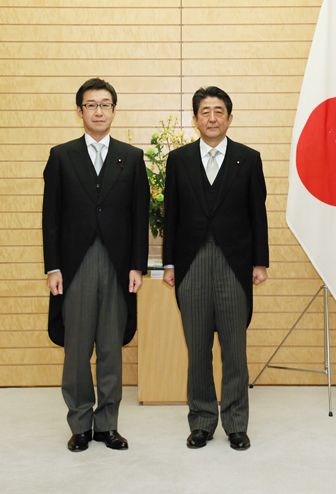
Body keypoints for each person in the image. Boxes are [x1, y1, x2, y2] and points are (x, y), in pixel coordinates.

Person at [42, 78, 149, 452]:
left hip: (118, 267)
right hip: (75, 267)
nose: (98, 111)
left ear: (114, 111)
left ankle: (107, 425)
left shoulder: (132, 158)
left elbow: (140, 216)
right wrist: (53, 267)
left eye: (105, 105)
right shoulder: (61, 156)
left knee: (110, 348)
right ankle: (79, 424)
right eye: (91, 105)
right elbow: (50, 217)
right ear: (80, 111)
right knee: (76, 350)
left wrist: (138, 265)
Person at [163, 86, 269, 450]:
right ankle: (202, 421)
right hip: (191, 264)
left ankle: (236, 423)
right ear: (195, 119)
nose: (212, 118)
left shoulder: (248, 159)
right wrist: (170, 263)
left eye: (218, 111)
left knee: (235, 348)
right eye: (205, 112)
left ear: (229, 117)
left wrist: (260, 261)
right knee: (197, 348)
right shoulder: (178, 161)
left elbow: (258, 215)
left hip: (234, 264)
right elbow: (172, 217)